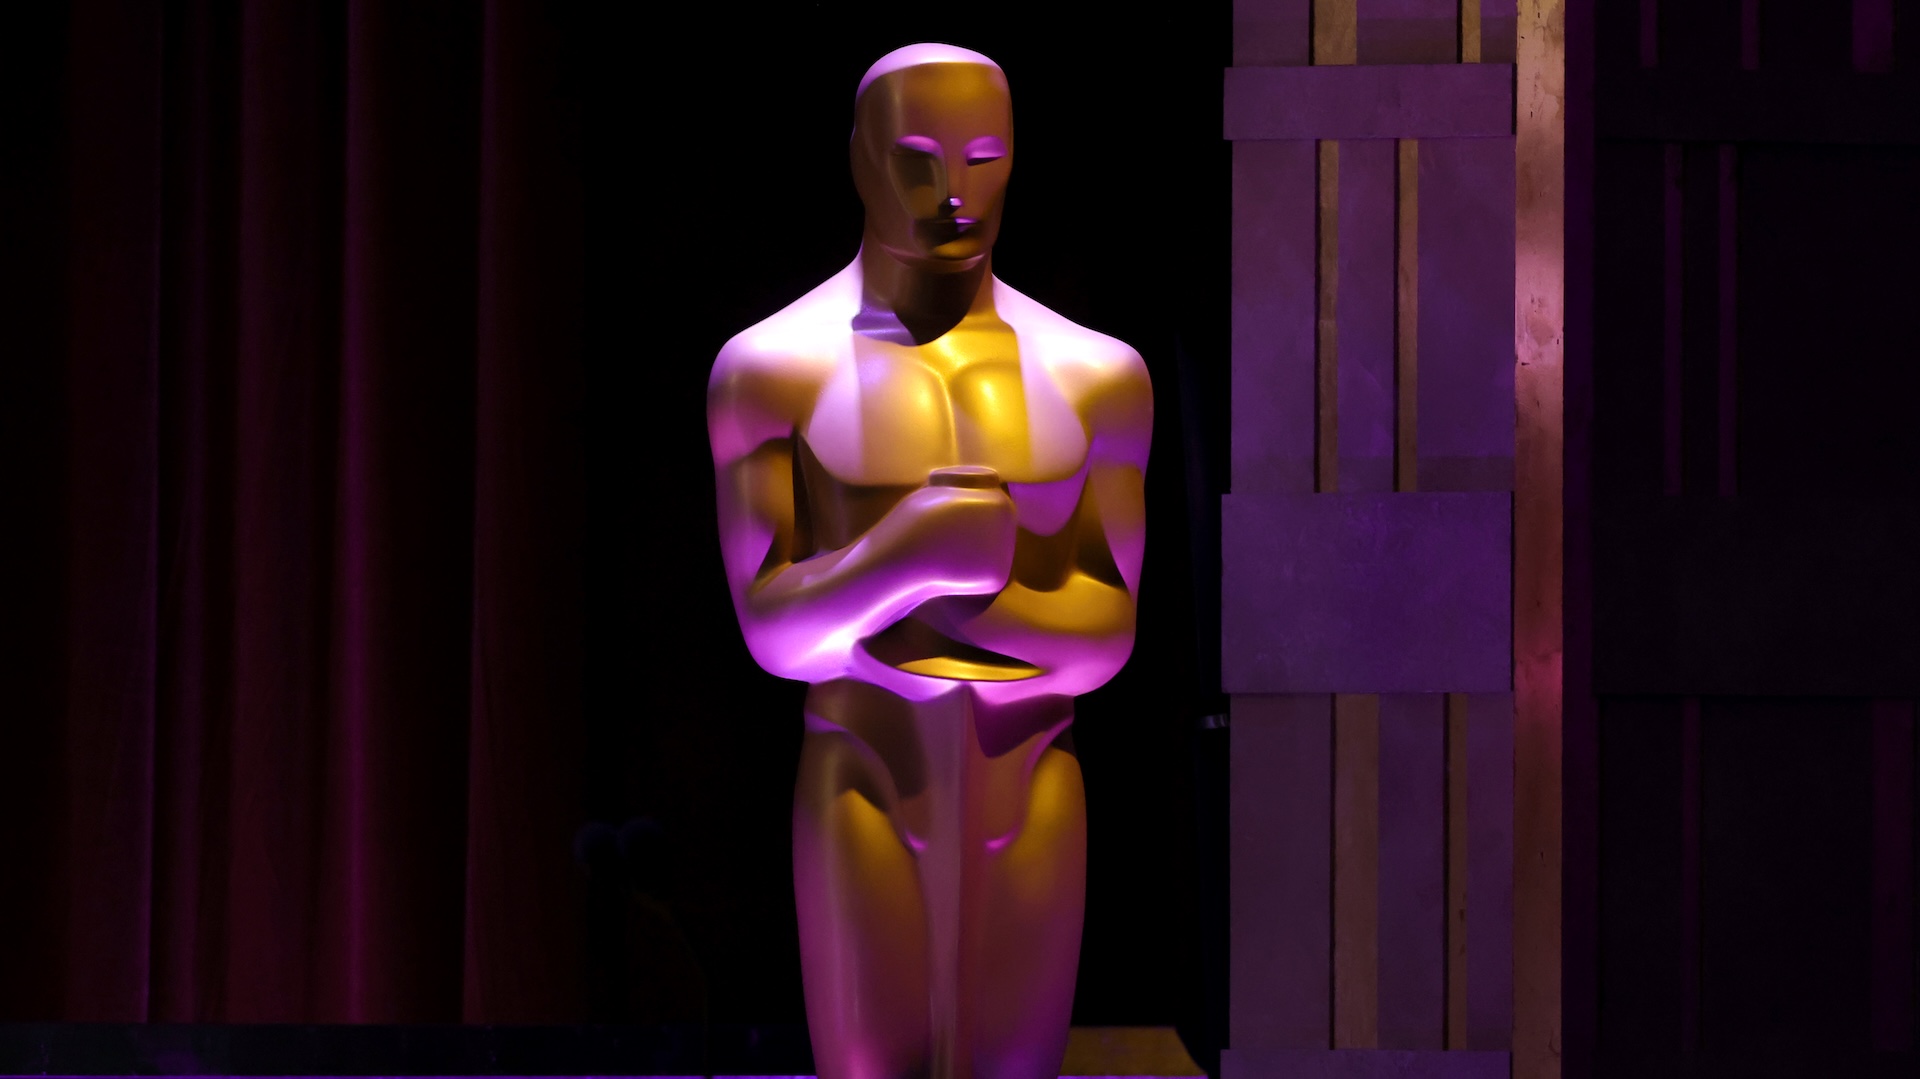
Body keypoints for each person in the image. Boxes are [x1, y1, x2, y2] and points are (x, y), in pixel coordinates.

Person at [706, 42, 1152, 1079]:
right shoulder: (773, 369)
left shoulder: (1097, 376)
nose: (955, 195)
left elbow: (1110, 632)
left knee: (1012, 1065)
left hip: (1032, 773)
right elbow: (774, 630)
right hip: (867, 769)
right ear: (858, 159)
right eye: (917, 159)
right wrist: (910, 554)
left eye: (985, 157)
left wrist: (957, 601)